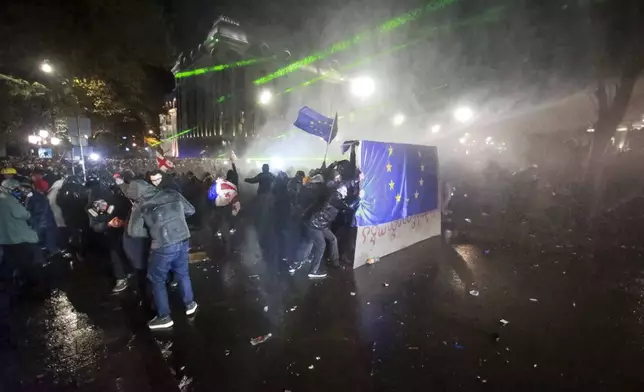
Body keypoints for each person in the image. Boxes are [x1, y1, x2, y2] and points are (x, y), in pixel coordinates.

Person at [124, 179, 197, 330]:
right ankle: (190, 304)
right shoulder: (172, 193)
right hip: (183, 238)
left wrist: (152, 231)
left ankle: (164, 317)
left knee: (157, 279)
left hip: (163, 245)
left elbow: (133, 232)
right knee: (183, 273)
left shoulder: (140, 205)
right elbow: (191, 210)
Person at [290, 183, 348, 278]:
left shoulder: (333, 195)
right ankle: (313, 270)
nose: (346, 193)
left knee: (331, 239)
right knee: (320, 245)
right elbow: (349, 206)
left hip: (320, 224)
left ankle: (335, 261)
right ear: (339, 191)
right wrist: (358, 197)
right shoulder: (335, 198)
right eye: (345, 191)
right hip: (315, 224)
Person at [85, 172, 130, 293]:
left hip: (127, 232)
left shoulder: (118, 199)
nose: (102, 205)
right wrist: (108, 224)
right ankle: (121, 277)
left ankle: (130, 271)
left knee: (130, 253)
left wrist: (125, 221)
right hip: (111, 234)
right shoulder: (91, 208)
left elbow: (130, 210)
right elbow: (95, 226)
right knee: (115, 254)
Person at [0, 179, 41, 283]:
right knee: (24, 260)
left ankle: (6, 281)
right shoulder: (10, 200)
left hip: (4, 237)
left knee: (8, 259)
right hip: (17, 237)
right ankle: (27, 281)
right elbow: (23, 214)